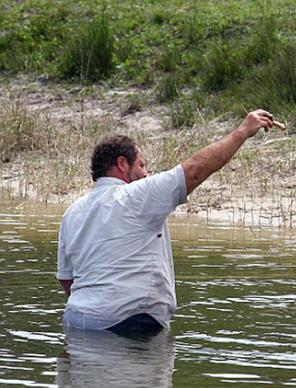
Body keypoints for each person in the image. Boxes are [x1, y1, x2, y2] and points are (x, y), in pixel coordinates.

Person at [57, 109, 275, 334]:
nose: (146, 174)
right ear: (122, 164)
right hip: (128, 322)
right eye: (142, 165)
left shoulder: (72, 213)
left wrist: (96, 307)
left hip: (76, 323)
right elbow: (194, 172)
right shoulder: (136, 195)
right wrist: (242, 131)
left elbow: (67, 280)